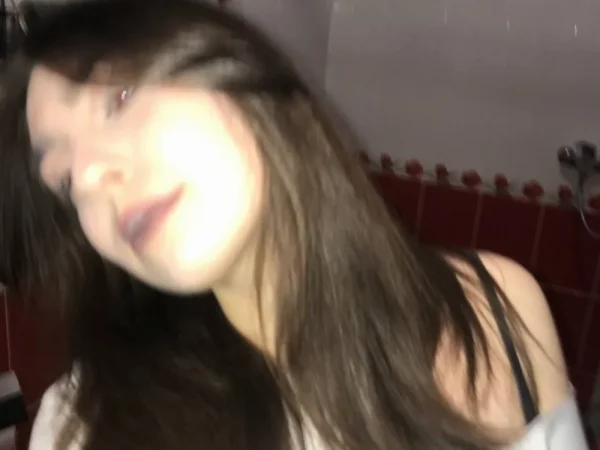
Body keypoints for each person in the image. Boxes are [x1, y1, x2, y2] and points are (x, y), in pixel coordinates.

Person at [0, 0, 589, 449]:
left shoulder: (497, 309)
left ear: (246, 81)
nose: (91, 175)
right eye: (64, 180)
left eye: (120, 98)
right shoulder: (84, 422)